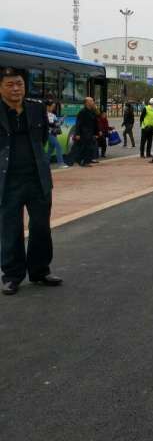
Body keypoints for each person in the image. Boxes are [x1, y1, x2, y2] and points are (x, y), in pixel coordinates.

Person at [0, 67, 62, 295]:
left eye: (19, 84)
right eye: (10, 85)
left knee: (41, 227)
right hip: (7, 181)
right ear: (0, 88)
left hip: (37, 179)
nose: (16, 89)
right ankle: (12, 276)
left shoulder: (36, 109)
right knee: (11, 229)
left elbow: (43, 138)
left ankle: (40, 270)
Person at [73, 97, 99, 166]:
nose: (93, 102)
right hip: (84, 133)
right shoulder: (82, 112)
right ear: (87, 103)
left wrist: (97, 132)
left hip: (90, 132)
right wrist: (77, 134)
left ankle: (86, 161)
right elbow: (78, 123)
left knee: (89, 148)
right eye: (91, 101)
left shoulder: (92, 111)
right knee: (85, 147)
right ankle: (83, 161)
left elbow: (95, 122)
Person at [45, 101, 68, 168]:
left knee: (50, 149)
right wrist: (59, 121)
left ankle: (45, 163)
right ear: (47, 107)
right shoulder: (45, 114)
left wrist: (62, 120)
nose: (53, 108)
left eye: (54, 107)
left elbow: (57, 124)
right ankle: (60, 163)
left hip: (53, 133)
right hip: (49, 133)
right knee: (58, 146)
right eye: (52, 106)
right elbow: (52, 124)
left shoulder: (53, 115)